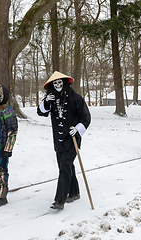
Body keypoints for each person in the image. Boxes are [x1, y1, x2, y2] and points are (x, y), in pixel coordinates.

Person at [37, 71, 91, 210]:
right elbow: (41, 112)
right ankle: (74, 192)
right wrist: (46, 102)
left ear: (65, 83)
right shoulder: (52, 99)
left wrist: (78, 129)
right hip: (58, 140)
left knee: (65, 166)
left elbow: (86, 117)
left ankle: (59, 200)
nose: (58, 85)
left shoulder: (76, 98)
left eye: (60, 82)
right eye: (55, 83)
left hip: (72, 139)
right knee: (65, 166)